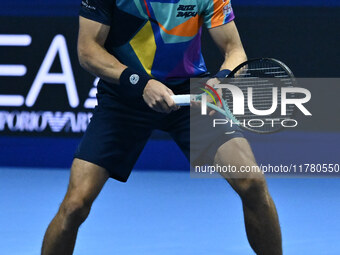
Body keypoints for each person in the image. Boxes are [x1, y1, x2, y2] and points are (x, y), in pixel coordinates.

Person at [41, 0, 282, 254]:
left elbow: (235, 51)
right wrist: (140, 83)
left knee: (252, 183)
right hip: (125, 96)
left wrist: (221, 80)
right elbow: (88, 51)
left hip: (191, 95)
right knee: (74, 206)